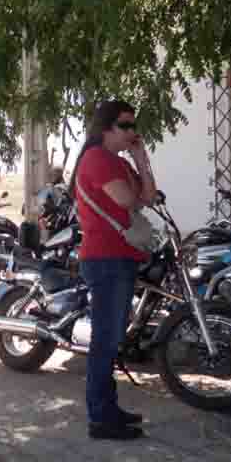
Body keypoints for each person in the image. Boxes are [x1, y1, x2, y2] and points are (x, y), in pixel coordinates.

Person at [71, 100, 159, 441]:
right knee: (105, 342)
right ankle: (101, 419)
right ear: (105, 128)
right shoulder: (96, 159)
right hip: (105, 259)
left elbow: (147, 196)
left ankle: (109, 409)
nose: (132, 132)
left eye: (134, 125)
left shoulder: (119, 162)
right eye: (125, 125)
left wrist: (141, 161)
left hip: (121, 257)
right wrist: (137, 193)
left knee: (112, 339)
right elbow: (126, 200)